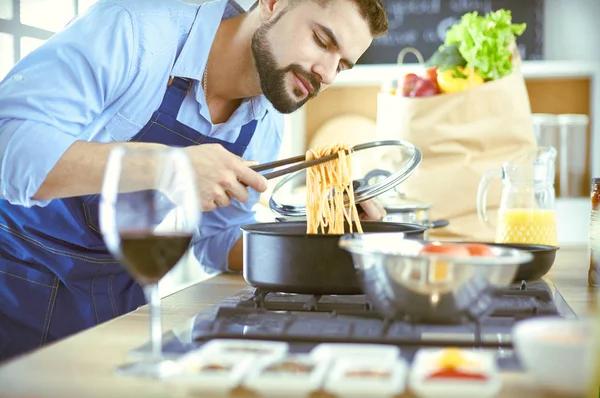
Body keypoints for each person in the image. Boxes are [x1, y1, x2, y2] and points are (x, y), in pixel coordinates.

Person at [0, 0, 388, 361]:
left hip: (121, 300)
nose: (327, 74)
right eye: (322, 41)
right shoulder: (136, 28)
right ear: (272, 4)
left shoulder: (265, 122)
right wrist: (171, 168)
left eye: (342, 65)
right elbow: (10, 146)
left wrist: (326, 233)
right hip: (17, 278)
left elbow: (218, 237)